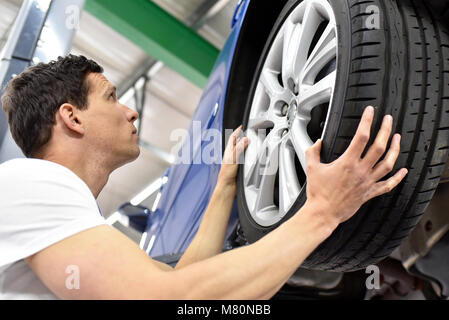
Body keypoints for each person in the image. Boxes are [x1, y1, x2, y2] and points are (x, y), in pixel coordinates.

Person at [0, 55, 407, 300]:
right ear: (71, 117)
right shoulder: (30, 181)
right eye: (111, 96)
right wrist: (322, 211)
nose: (131, 111)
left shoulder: (49, 206)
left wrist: (226, 186)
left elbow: (181, 288)